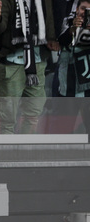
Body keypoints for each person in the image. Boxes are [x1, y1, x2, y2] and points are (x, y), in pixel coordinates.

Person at [0, 0, 57, 134]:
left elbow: (50, 19)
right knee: (7, 119)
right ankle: (4, 154)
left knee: (33, 115)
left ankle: (25, 153)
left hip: (37, 61)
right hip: (11, 61)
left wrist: (53, 38)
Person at [56, 0, 90, 133]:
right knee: (64, 127)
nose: (84, 13)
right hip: (68, 83)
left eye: (88, 11)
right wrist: (72, 30)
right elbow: (61, 40)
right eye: (82, 9)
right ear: (76, 9)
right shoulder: (68, 22)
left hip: (87, 83)